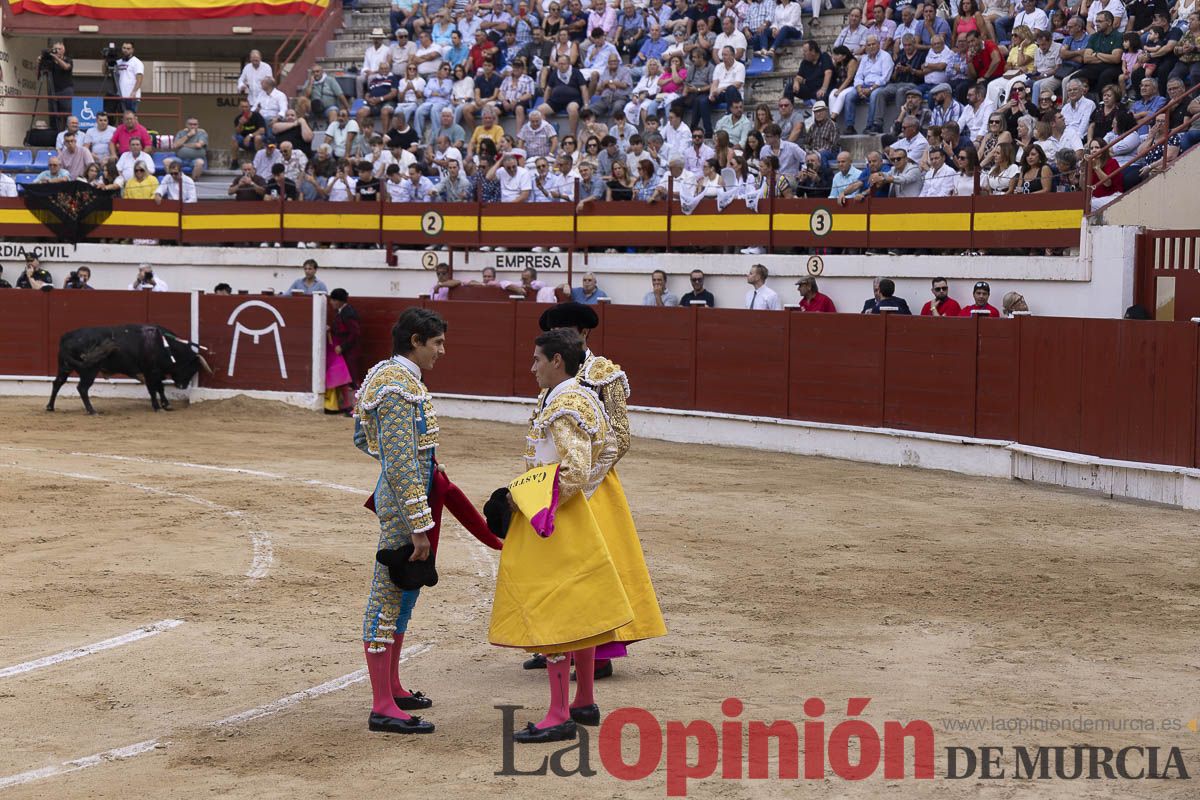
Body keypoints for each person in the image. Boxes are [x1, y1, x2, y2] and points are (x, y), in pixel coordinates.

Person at [354, 307, 503, 734]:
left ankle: (393, 686)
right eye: (437, 342)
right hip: (407, 503)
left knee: (406, 590)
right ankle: (382, 705)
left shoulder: (388, 378)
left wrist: (406, 472)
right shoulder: (398, 387)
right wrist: (419, 521)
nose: (443, 350)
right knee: (388, 593)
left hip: (407, 494)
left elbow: (365, 438)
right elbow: (399, 459)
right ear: (416, 340)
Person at [489, 328, 637, 743]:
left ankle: (557, 713)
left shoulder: (563, 404)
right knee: (579, 609)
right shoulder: (583, 396)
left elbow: (572, 467)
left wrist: (526, 501)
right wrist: (586, 495)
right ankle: (584, 699)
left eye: (537, 359)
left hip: (551, 517)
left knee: (554, 613)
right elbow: (610, 446)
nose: (532, 366)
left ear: (557, 360)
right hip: (574, 513)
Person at [526, 305, 667, 681]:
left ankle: (599, 653)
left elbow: (620, 435)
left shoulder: (605, 373)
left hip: (595, 484)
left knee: (596, 566)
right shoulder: (553, 370)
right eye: (555, 329)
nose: (560, 334)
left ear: (585, 333)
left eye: (567, 329)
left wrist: (584, 483)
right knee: (556, 563)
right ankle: (555, 642)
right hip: (558, 478)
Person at [326, 288, 362, 414]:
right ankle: (349, 406)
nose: (331, 302)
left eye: (333, 300)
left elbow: (355, 333)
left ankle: (356, 407)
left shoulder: (348, 313)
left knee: (352, 378)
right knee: (348, 379)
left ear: (339, 301)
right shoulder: (342, 311)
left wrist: (343, 346)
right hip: (347, 351)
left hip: (350, 351)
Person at [43, 41, 73, 131]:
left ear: (63, 50)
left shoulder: (68, 60)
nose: (57, 51)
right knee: (53, 114)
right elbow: (39, 74)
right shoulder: (50, 62)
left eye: (59, 49)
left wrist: (55, 57)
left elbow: (66, 67)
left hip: (65, 90)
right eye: (55, 49)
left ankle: (67, 132)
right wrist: (41, 61)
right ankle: (55, 134)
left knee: (66, 114)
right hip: (53, 91)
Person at [115, 42, 144, 112]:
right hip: (120, 96)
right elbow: (104, 71)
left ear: (132, 50)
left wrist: (134, 92)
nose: (125, 50)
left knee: (131, 119)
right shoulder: (118, 62)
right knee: (121, 119)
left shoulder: (137, 62)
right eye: (124, 48)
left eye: (128, 48)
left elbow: (139, 79)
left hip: (131, 97)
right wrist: (105, 59)